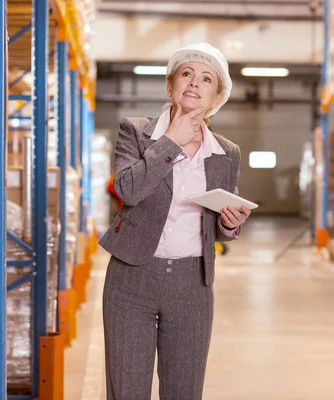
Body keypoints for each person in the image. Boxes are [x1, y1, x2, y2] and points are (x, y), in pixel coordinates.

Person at [98, 42, 251, 400]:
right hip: (131, 277)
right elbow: (127, 190)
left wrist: (229, 224)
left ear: (216, 97)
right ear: (171, 86)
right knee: (126, 389)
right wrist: (170, 143)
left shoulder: (226, 153)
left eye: (206, 79)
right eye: (186, 74)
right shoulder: (135, 132)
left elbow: (217, 226)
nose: (194, 83)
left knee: (184, 389)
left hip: (192, 284)